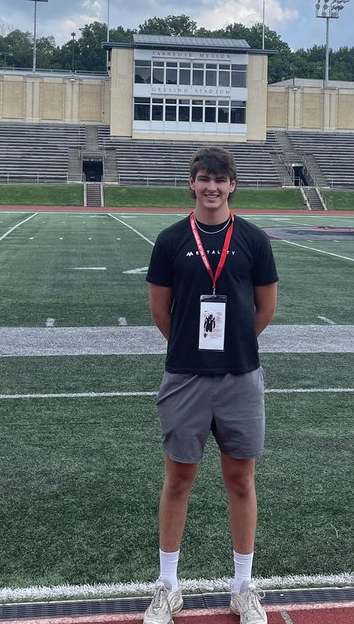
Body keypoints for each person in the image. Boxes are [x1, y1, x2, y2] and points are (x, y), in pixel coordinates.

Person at [144, 146, 279, 624]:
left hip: (240, 376)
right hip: (185, 376)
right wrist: (191, 348)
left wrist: (232, 347)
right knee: (178, 478)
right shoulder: (170, 240)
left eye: (220, 181)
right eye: (203, 179)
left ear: (233, 185)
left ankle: (243, 586)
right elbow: (161, 311)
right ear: (192, 183)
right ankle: (168, 586)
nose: (212, 188)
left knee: (241, 480)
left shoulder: (255, 240)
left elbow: (265, 309)